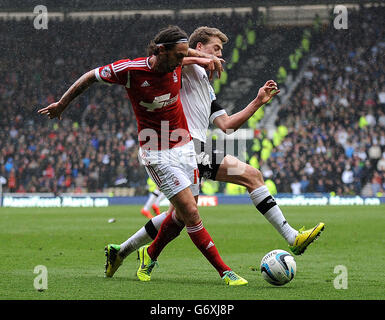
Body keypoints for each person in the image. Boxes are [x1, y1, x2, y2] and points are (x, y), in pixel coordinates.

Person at [104, 26, 325, 277]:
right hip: (183, 147)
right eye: (216, 49)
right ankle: (292, 237)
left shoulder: (206, 86)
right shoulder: (182, 66)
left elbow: (227, 125)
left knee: (176, 217)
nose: (220, 55)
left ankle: (126, 251)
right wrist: (202, 58)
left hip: (194, 149)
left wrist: (257, 101)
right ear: (198, 48)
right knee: (249, 177)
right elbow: (171, 57)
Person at [38, 25, 247, 286]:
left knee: (181, 217)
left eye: (186, 55)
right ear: (162, 51)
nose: (183, 60)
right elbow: (89, 76)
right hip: (157, 153)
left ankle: (122, 252)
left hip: (184, 148)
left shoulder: (177, 63)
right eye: (179, 55)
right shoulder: (130, 70)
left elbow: (189, 56)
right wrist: (62, 104)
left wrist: (208, 58)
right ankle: (225, 271)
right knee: (191, 213)